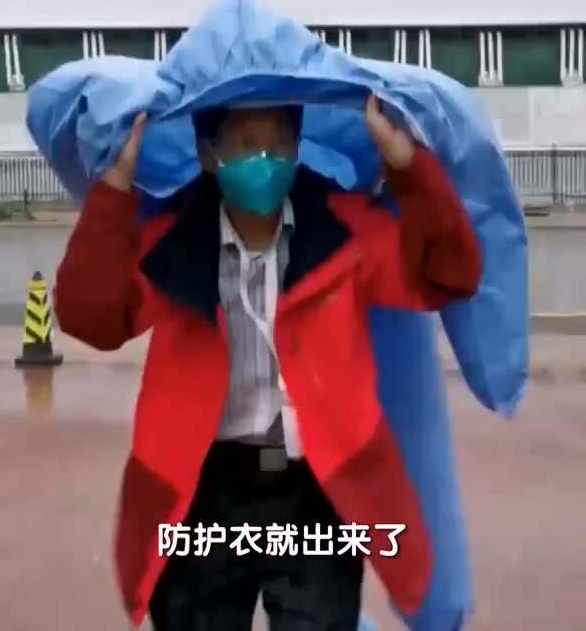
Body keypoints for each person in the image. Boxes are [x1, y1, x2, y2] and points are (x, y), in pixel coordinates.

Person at [54, 96, 482, 630]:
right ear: (209, 155)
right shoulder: (174, 244)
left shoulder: (345, 234)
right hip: (204, 490)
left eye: (280, 142)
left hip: (314, 488)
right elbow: (90, 317)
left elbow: (449, 275)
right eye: (247, 142)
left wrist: (407, 165)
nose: (266, 158)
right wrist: (115, 185)